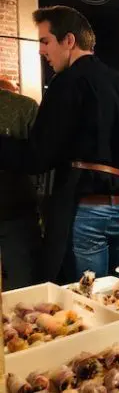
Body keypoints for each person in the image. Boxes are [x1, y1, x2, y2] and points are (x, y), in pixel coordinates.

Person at [0, 6, 119, 280]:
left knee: (85, 299)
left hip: (88, 210)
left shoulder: (66, 82)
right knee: (118, 294)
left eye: (45, 41)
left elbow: (37, 157)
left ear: (69, 40)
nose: (41, 50)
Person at [0, 78, 42, 290]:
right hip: (17, 207)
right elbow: (41, 161)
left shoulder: (24, 107)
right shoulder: (25, 106)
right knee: (23, 288)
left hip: (16, 209)